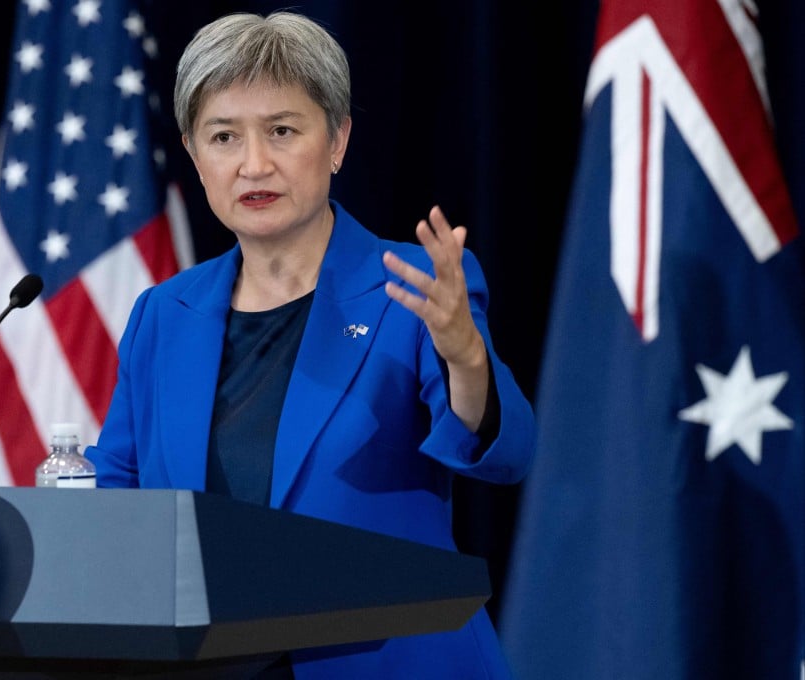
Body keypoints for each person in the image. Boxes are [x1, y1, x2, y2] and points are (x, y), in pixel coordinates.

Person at [86, 10, 536, 679]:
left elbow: (506, 454)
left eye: (282, 131)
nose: (254, 163)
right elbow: (117, 488)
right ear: (193, 153)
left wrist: (466, 357)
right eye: (224, 137)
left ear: (337, 141)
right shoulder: (164, 314)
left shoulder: (410, 289)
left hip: (388, 662)